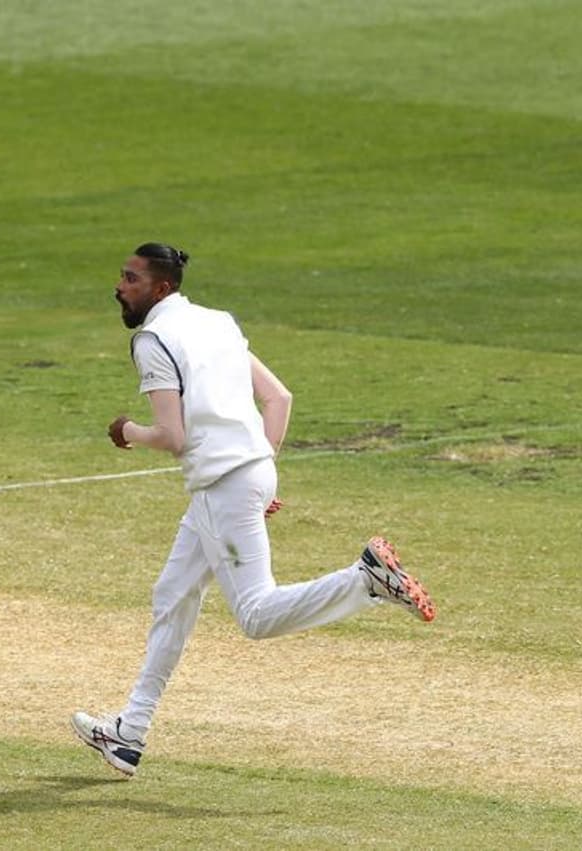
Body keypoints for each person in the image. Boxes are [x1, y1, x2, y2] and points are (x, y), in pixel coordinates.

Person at [70, 242, 435, 777]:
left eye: (130, 278)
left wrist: (126, 432)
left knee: (257, 615)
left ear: (160, 288)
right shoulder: (217, 322)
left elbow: (172, 436)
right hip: (246, 472)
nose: (119, 287)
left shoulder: (152, 339)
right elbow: (279, 399)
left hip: (224, 483)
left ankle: (365, 581)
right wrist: (259, 474)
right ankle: (129, 732)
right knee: (172, 595)